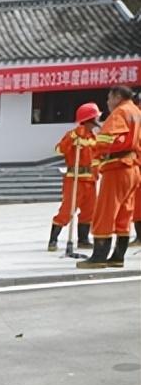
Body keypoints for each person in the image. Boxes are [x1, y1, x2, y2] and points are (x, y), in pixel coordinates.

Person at [79, 85, 141, 269]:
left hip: (117, 167)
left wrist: (97, 145)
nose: (107, 102)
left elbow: (110, 138)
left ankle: (99, 256)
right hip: (133, 168)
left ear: (117, 96)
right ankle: (118, 256)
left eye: (108, 98)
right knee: (124, 213)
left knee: (105, 211)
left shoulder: (120, 112)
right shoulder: (136, 112)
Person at [49, 103, 100, 251]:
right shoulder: (73, 134)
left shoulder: (94, 137)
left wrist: (96, 173)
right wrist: (72, 139)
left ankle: (83, 240)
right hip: (75, 179)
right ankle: (53, 240)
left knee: (89, 211)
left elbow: (97, 158)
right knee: (67, 211)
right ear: (90, 118)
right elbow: (59, 150)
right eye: (95, 116)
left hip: (90, 179)